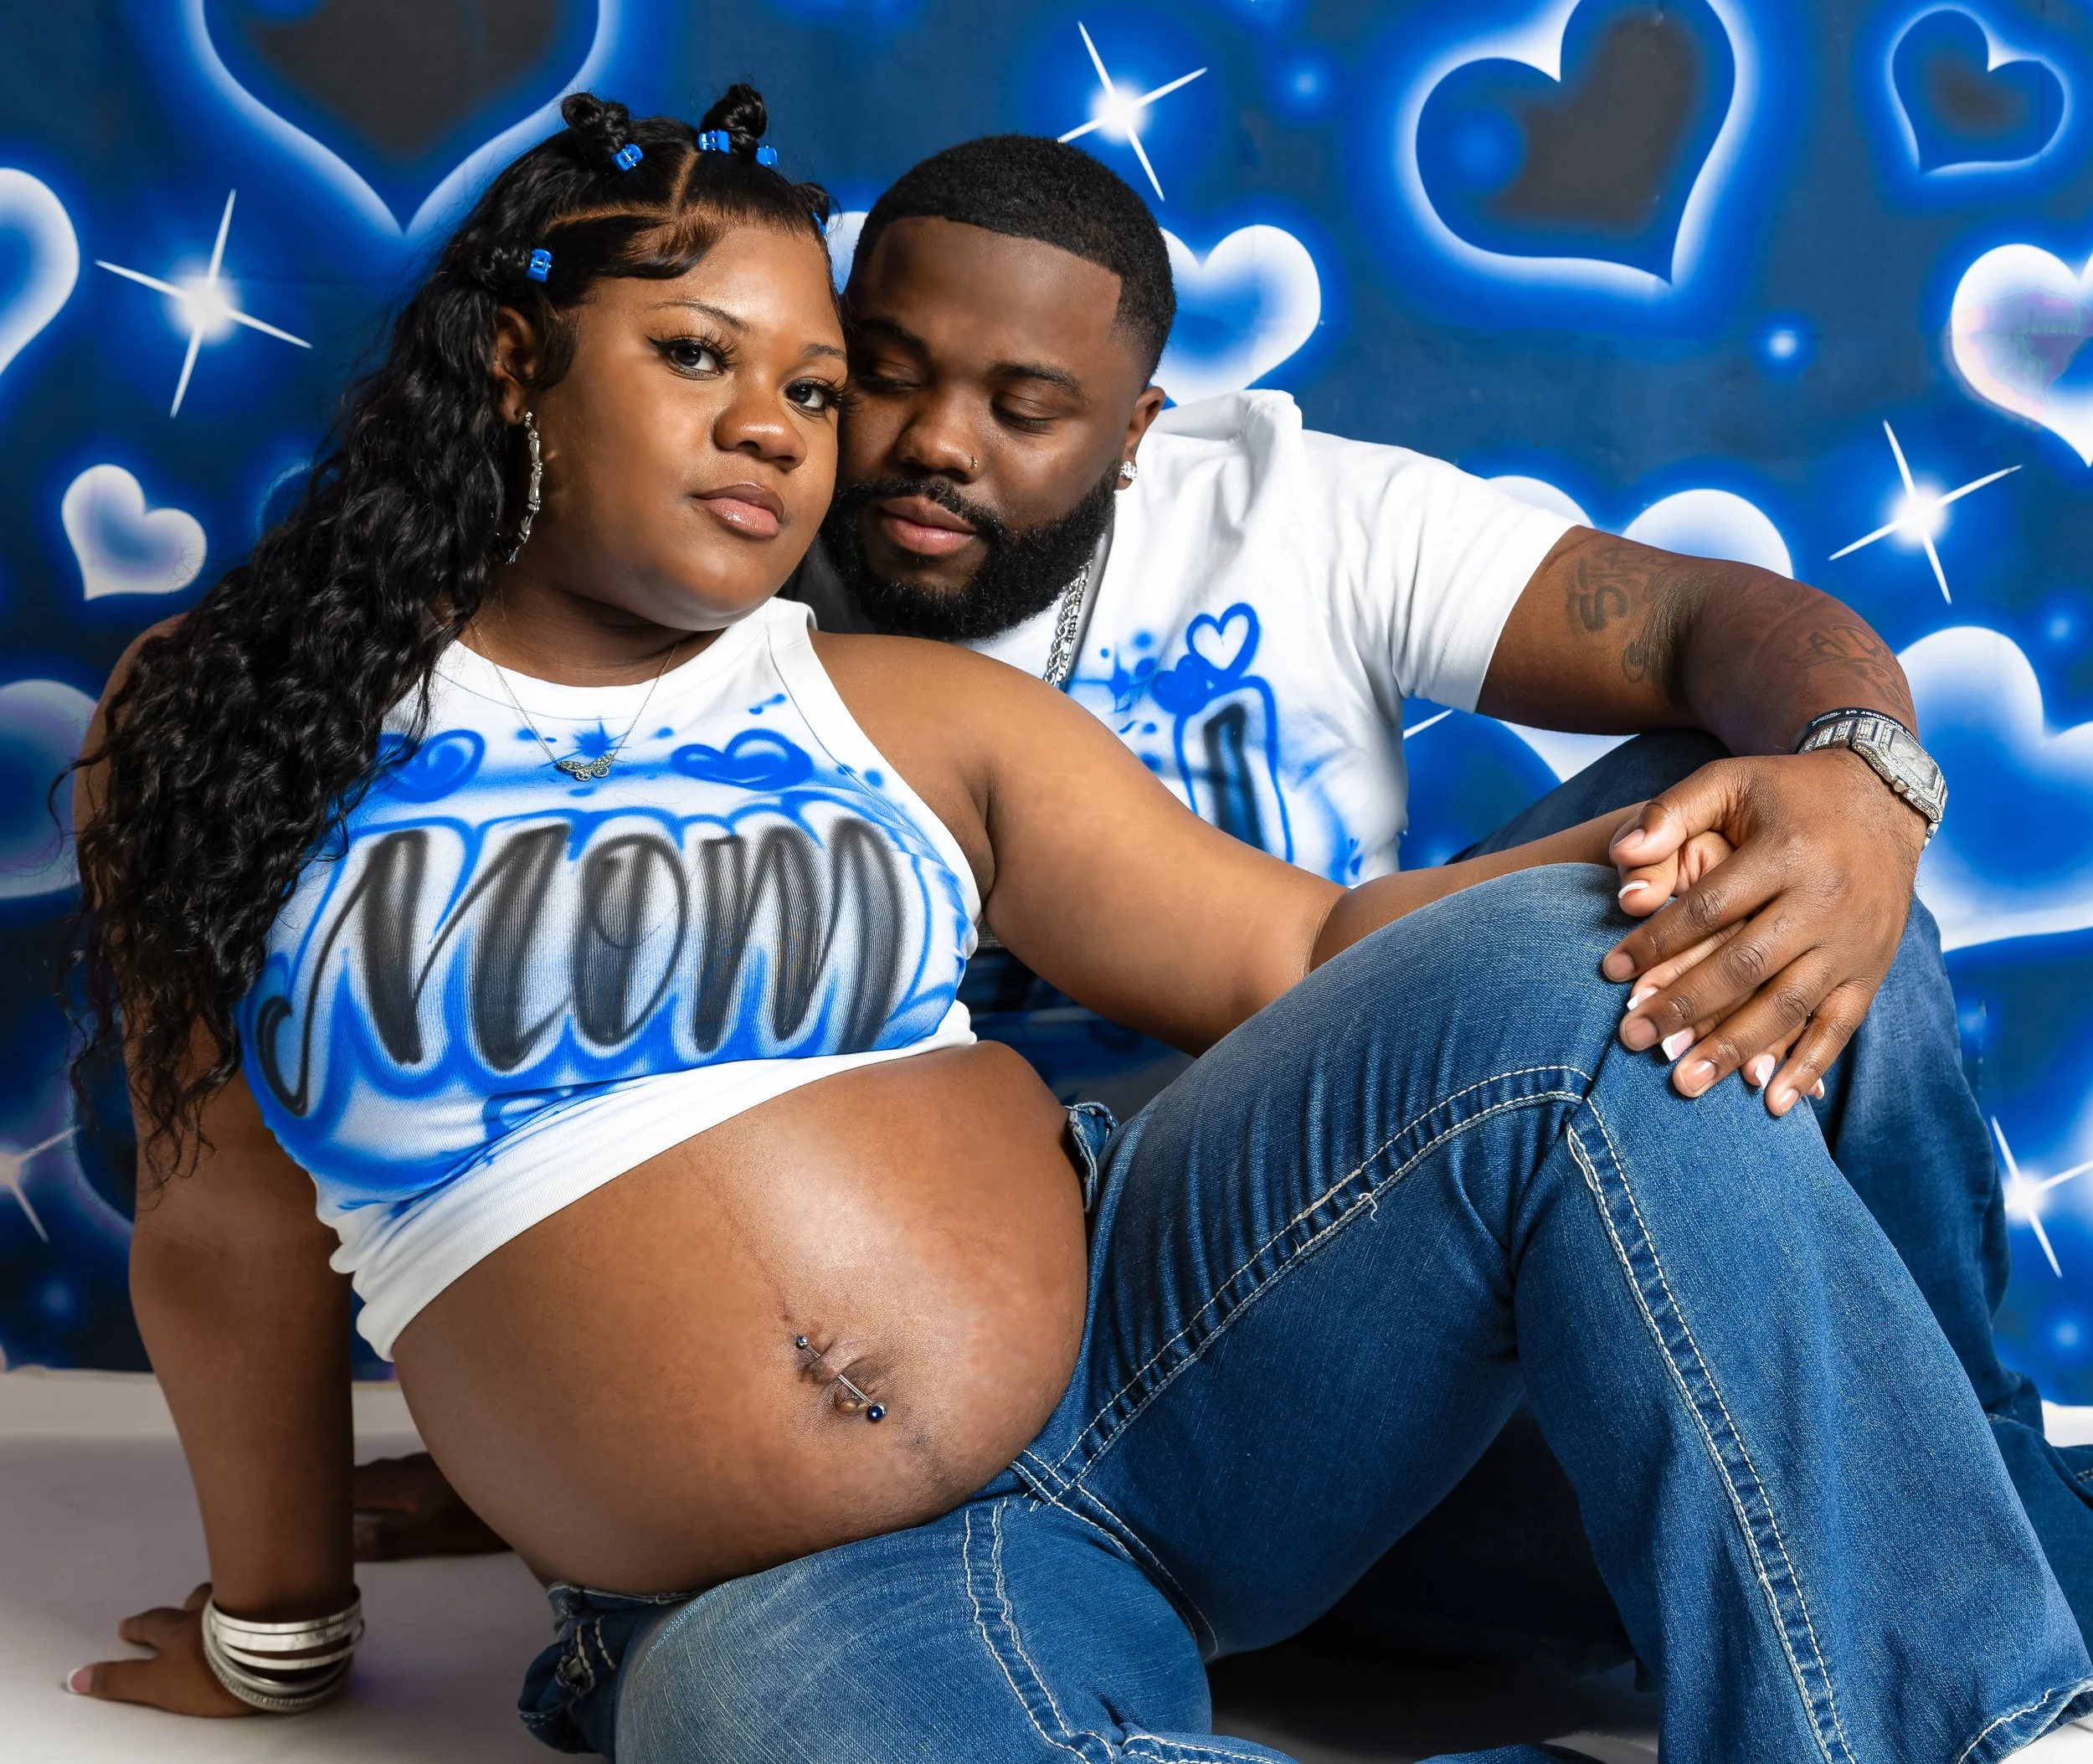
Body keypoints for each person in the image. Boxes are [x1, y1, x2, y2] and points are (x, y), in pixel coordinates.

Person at [54, 87, 2093, 1764]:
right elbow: (224, 1230)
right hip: (790, 1591)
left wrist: (1793, 806)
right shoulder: (231, 724)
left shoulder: (898, 704)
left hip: (1179, 1346)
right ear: (517, 365)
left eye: (810, 387)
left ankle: (1950, 1724)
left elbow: (1311, 957)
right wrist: (276, 1631)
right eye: (696, 357)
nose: (776, 425)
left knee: (1639, 931)